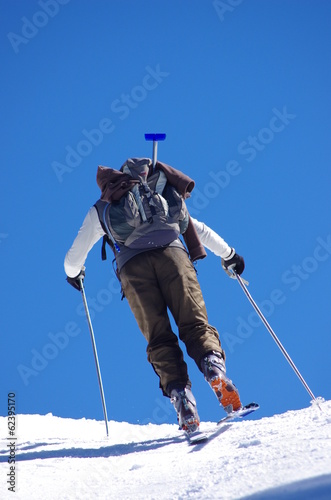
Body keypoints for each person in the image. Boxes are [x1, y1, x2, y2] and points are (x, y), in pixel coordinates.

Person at [64, 157, 245, 435]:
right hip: (174, 257)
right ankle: (214, 370)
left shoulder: (102, 208)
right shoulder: (159, 193)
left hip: (133, 270)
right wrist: (229, 255)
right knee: (195, 325)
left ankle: (182, 398)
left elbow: (73, 258)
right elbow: (198, 229)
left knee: (159, 338)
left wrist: (74, 274)